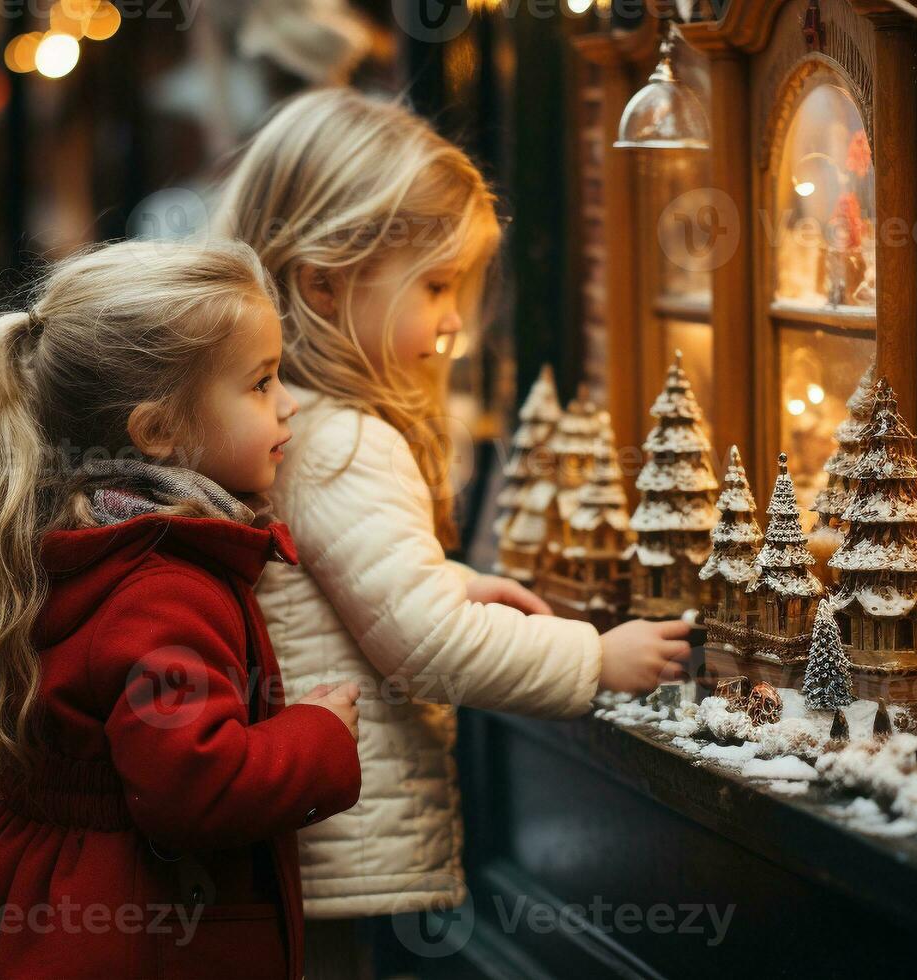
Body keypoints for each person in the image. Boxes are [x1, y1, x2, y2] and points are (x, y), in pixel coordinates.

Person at [215, 89, 692, 976]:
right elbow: (425, 647)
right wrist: (595, 660)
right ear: (322, 282)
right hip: (328, 836)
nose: (454, 324)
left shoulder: (288, 424)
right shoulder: (344, 441)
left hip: (301, 836)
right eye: (434, 286)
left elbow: (341, 584)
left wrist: (448, 578)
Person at [0, 240, 362, 980]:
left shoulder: (93, 539)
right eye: (261, 383)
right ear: (157, 432)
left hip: (61, 901)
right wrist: (320, 735)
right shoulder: (160, 586)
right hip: (132, 931)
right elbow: (193, 787)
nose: (289, 401)